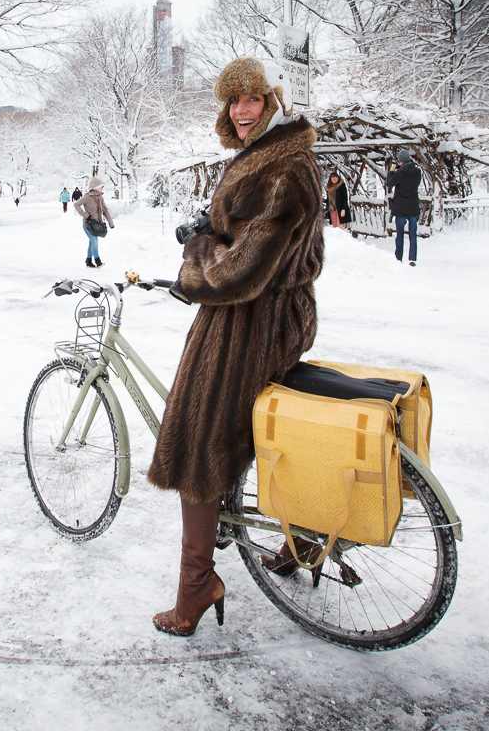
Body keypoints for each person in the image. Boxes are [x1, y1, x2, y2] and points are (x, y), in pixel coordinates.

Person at [148, 57, 324, 637]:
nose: (241, 112)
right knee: (255, 430)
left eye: (252, 100)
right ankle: (300, 538)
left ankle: (196, 587)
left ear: (274, 101)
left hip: (251, 323)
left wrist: (197, 257)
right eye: (232, 102)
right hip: (265, 316)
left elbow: (240, 270)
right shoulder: (273, 158)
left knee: (200, 438)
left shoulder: (282, 170)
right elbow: (259, 242)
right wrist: (215, 230)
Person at [385, 150, 422, 265]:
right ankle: (412, 258)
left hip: (401, 206)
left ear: (401, 161)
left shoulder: (399, 174)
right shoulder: (417, 172)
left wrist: (392, 172)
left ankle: (398, 257)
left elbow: (389, 183)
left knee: (400, 233)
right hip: (413, 205)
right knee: (412, 233)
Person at [72, 176, 114, 268]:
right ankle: (98, 261)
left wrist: (111, 223)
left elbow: (105, 210)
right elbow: (76, 204)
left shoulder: (100, 198)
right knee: (94, 242)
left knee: (92, 242)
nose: (102, 188)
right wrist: (85, 215)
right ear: (95, 186)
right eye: (101, 186)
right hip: (88, 224)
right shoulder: (88, 197)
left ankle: (88, 261)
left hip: (97, 224)